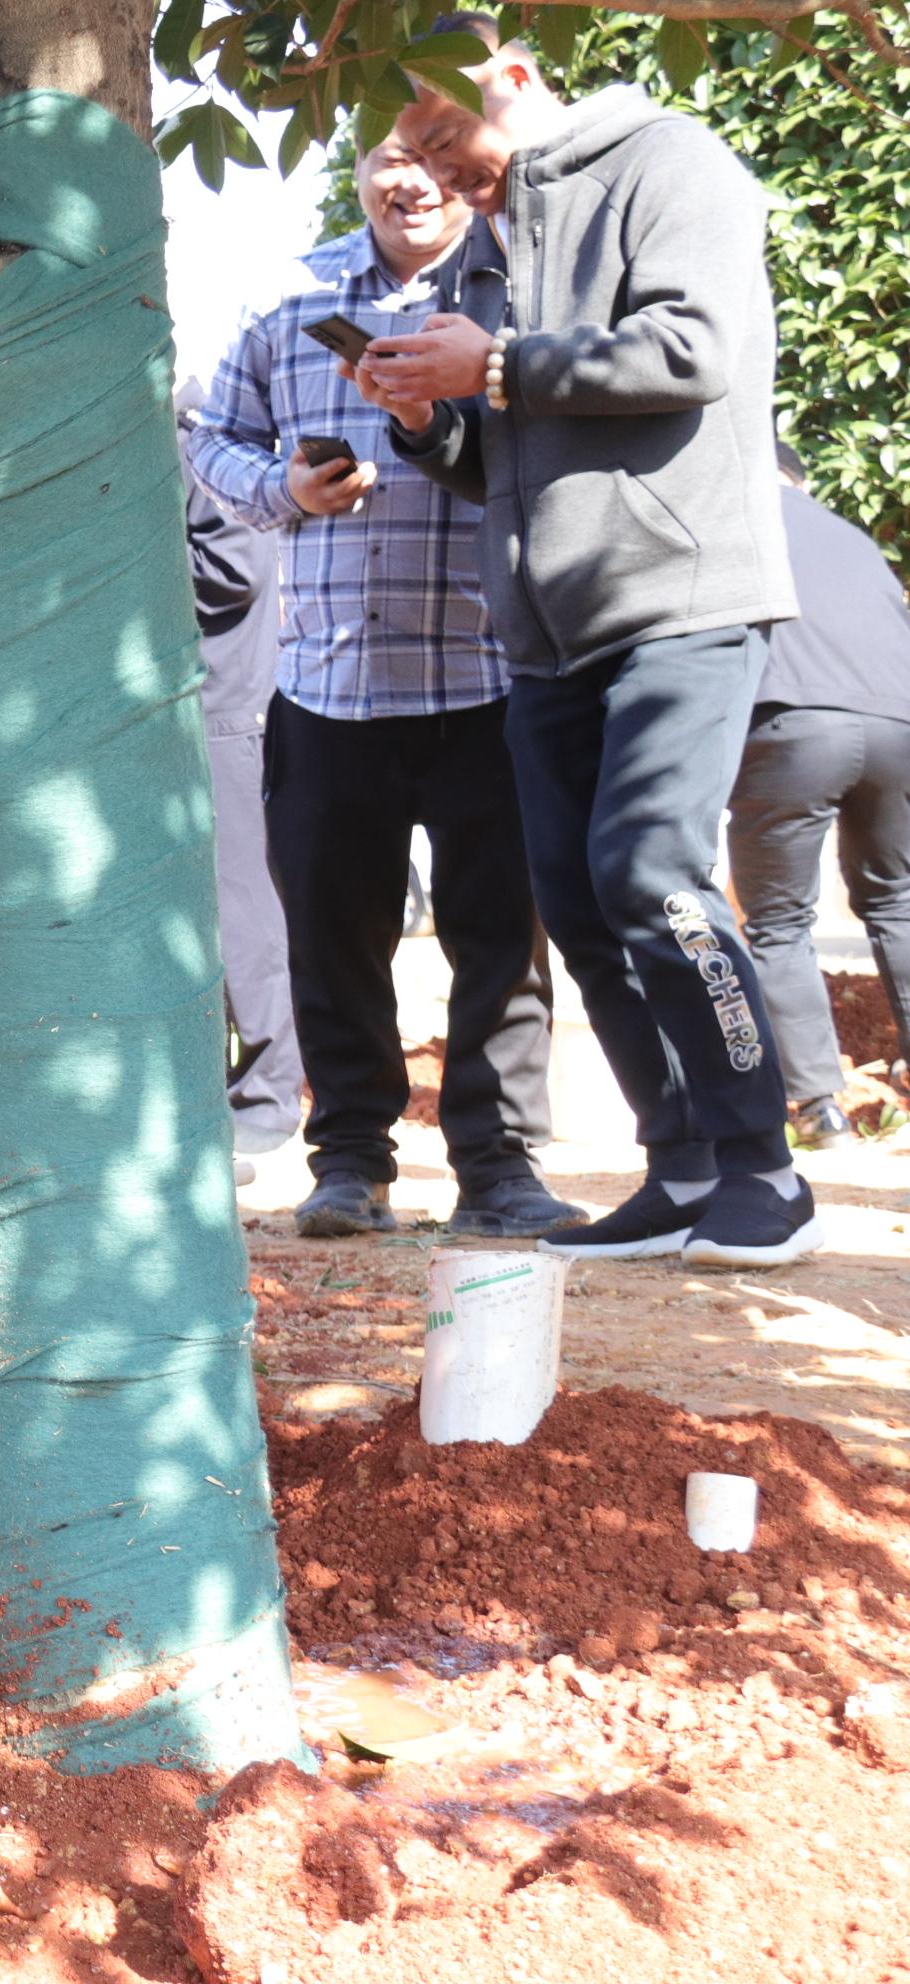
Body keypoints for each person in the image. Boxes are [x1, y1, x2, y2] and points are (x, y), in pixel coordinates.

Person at [356, 19, 813, 1268]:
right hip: (545, 637)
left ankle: (764, 1170)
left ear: (512, 75)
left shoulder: (671, 163)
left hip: (685, 593)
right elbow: (500, 454)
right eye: (416, 157)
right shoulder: (486, 248)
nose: (441, 176)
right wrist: (425, 418)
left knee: (654, 872)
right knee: (575, 896)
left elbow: (693, 349)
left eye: (446, 139)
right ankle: (684, 1169)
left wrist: (496, 364)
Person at [188, 135, 578, 1241]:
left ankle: (499, 1166)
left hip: (491, 674)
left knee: (500, 936)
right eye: (381, 153)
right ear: (354, 164)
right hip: (327, 681)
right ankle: (351, 1158)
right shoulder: (292, 294)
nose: (404, 175)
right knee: (332, 934)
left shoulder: (518, 299)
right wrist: (285, 490)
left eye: (427, 152)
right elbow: (210, 434)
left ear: (466, 162)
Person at [725, 444, 910, 1148]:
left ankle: (817, 1110)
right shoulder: (851, 534)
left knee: (776, 922)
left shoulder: (733, 519)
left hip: (793, 722)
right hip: (899, 724)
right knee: (898, 902)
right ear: (800, 481)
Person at [175, 415, 306, 1172]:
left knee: (243, 918)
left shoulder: (195, 441)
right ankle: (217, 1095)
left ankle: (265, 1099)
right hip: (177, 716)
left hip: (225, 712)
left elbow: (233, 573)